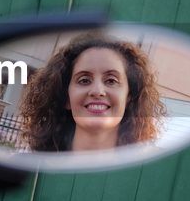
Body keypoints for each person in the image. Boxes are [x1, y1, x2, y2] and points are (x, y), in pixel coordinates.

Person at [18, 34, 166, 152]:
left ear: (129, 96)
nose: (97, 91)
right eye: (84, 80)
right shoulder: (26, 168)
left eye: (111, 81)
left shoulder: (147, 176)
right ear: (66, 98)